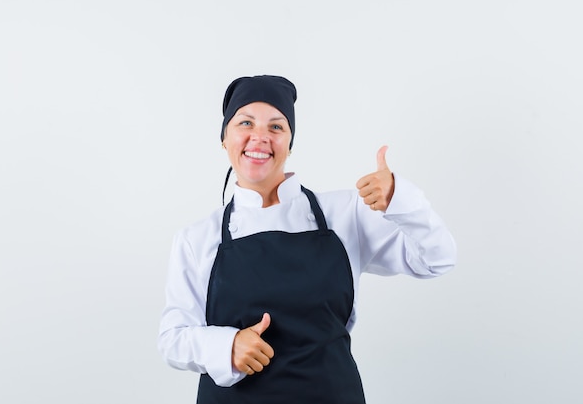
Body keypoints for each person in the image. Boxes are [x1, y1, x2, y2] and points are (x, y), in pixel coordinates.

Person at [158, 75, 457, 404]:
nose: (259, 138)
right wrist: (225, 346)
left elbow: (437, 259)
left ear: (290, 142)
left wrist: (400, 199)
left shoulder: (345, 215)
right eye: (245, 123)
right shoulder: (196, 239)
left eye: (276, 127)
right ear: (224, 139)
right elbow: (172, 339)